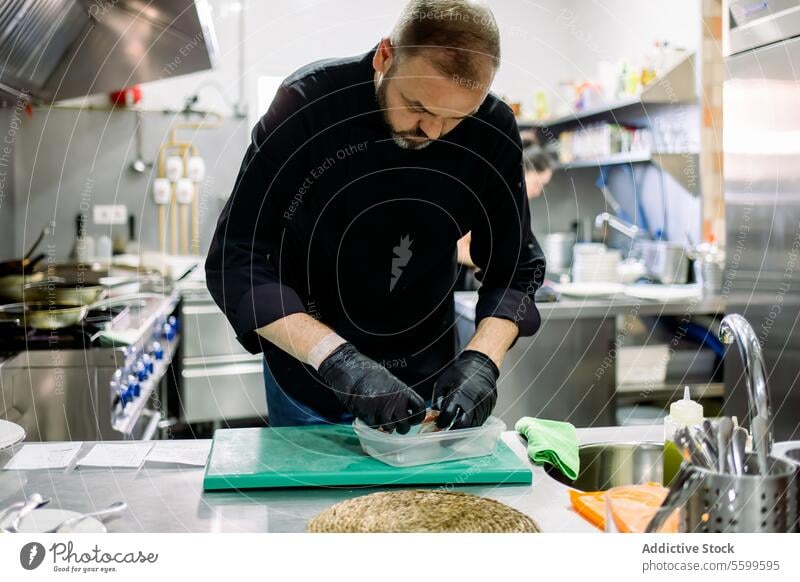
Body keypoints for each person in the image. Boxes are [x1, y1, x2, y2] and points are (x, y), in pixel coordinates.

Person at [205, 0, 546, 434]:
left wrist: (482, 360)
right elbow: (237, 258)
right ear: (385, 55)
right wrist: (338, 360)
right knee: (313, 504)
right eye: (418, 106)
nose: (433, 132)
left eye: (456, 118)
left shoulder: (493, 130)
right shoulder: (308, 103)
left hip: (427, 382)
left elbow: (515, 267)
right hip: (310, 377)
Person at [457, 137, 554, 270]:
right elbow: (458, 249)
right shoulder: (492, 196)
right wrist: (501, 268)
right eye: (537, 184)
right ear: (522, 172)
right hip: (455, 278)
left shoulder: (514, 206)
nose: (538, 192)